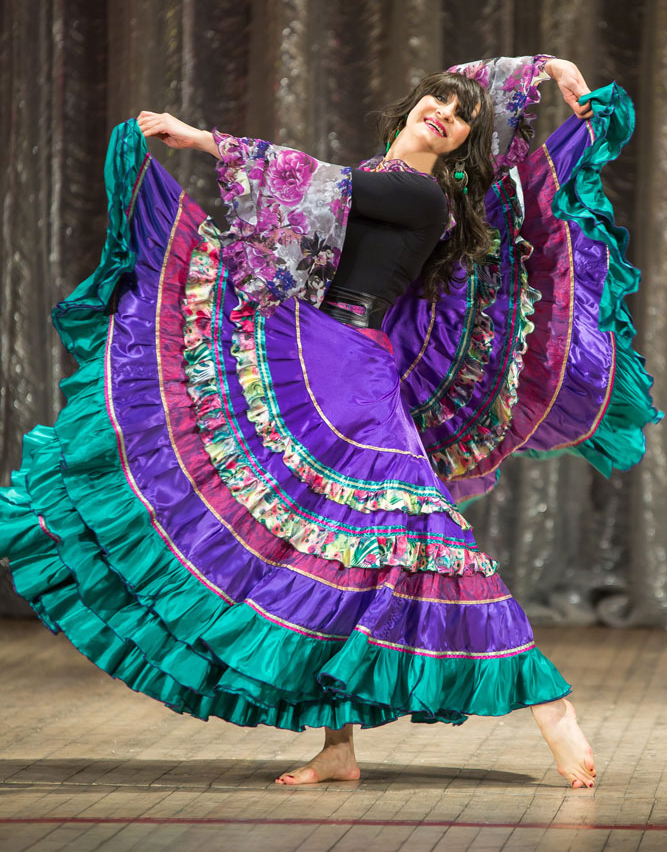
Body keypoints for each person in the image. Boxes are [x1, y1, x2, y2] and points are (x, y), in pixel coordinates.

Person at [0, 55, 659, 793]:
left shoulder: (422, 196)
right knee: (329, 548)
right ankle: (338, 748)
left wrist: (204, 140)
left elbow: (318, 181)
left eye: (460, 118)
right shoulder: (381, 174)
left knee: (421, 540)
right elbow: (343, 188)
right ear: (413, 105)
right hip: (314, 353)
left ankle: (547, 702)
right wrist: (548, 67)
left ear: (460, 145)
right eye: (438, 102)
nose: (445, 114)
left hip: (351, 372)